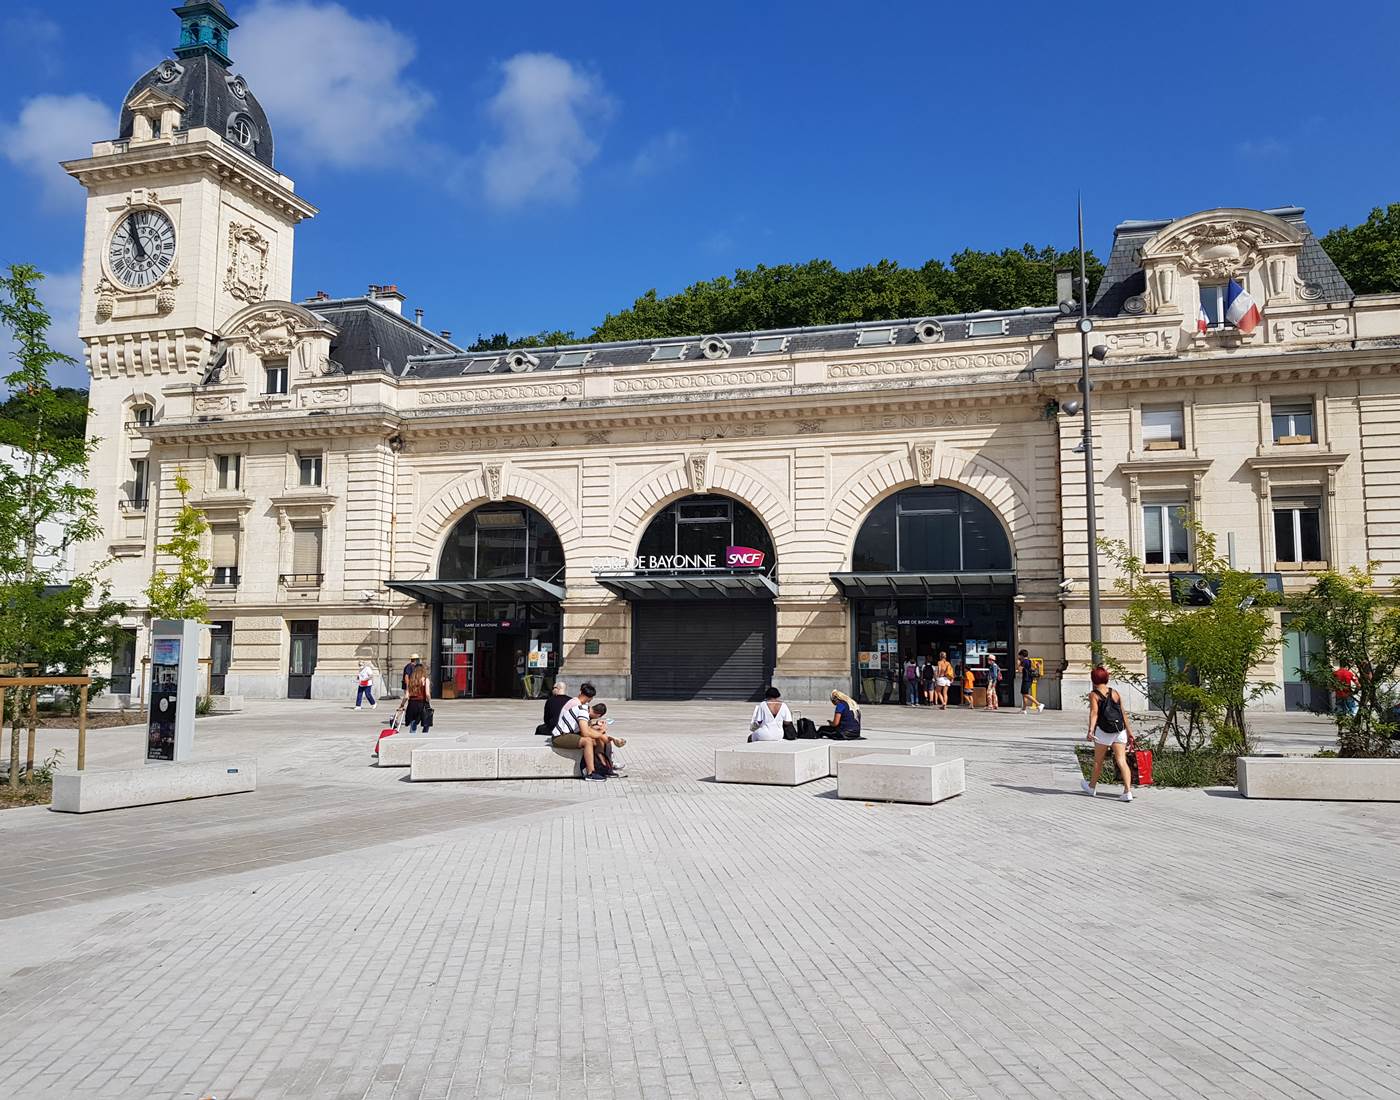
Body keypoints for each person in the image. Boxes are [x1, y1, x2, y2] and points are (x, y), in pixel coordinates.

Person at [552, 682, 624, 780]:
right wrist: (602, 735)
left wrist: (601, 736)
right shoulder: (582, 709)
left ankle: (604, 767)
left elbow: (586, 728)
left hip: (569, 734)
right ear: (590, 699)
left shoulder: (583, 707)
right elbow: (585, 732)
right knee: (588, 741)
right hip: (560, 736)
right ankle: (590, 773)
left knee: (597, 740)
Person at [1083, 666, 1135, 802]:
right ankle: (1127, 791)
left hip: (1103, 731)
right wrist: (1129, 732)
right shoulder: (1115, 692)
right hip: (1119, 730)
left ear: (1093, 679)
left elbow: (1094, 713)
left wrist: (1090, 730)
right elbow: (1123, 713)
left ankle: (1092, 787)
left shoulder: (1093, 694)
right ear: (1106, 678)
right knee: (1121, 760)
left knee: (1098, 761)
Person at [404, 665, 432, 733]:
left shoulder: (411, 681)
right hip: (422, 703)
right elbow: (427, 694)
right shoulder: (425, 680)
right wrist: (429, 701)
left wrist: (402, 704)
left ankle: (412, 737)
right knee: (426, 722)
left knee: (413, 723)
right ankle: (424, 735)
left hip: (412, 704)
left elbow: (406, 696)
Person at [1018, 649, 1043, 714]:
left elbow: (1019, 670)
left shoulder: (1024, 661)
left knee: (1025, 694)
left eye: (1020, 656)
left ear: (1022, 656)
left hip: (1026, 679)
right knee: (1024, 694)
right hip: (1029, 679)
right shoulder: (1029, 661)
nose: (1019, 657)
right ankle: (1023, 709)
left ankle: (1039, 704)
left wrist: (1018, 662)